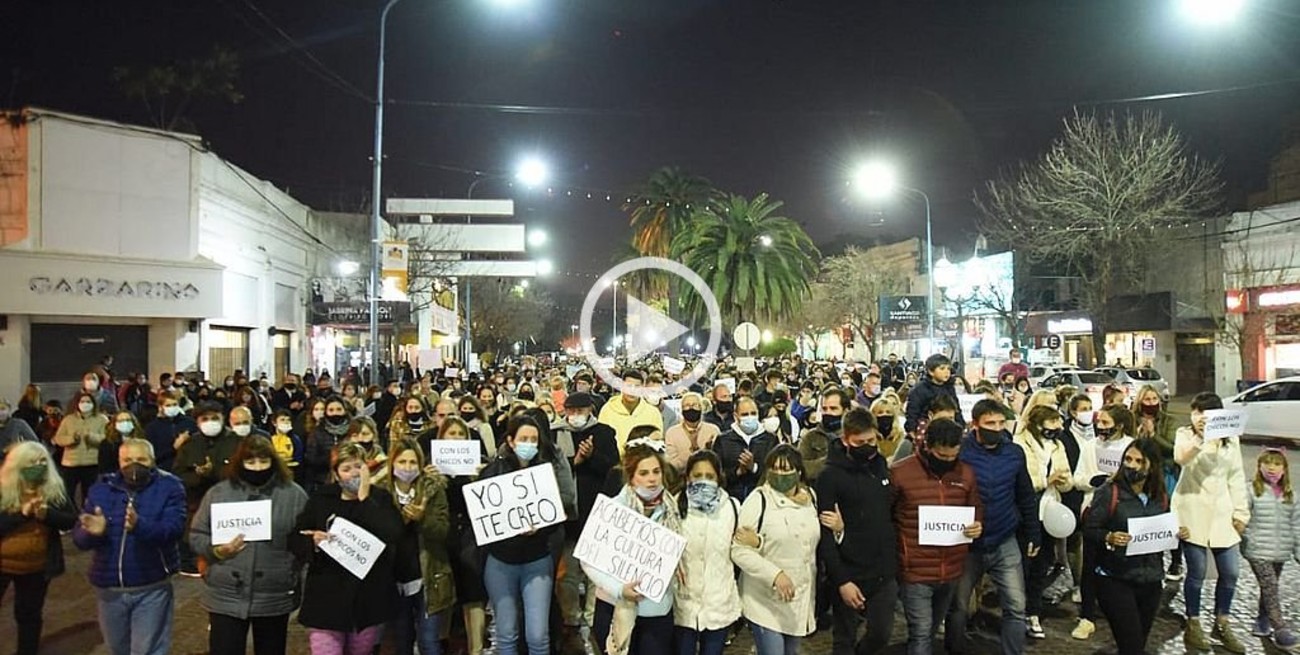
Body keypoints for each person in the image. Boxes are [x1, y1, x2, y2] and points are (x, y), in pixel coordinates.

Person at [189, 435, 309, 655]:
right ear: (239, 463)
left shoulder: (294, 495)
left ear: (274, 461)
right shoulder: (218, 493)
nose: (257, 467)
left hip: (274, 593)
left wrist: (291, 566)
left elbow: (303, 542)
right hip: (226, 592)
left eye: (263, 461)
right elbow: (197, 534)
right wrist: (216, 550)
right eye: (250, 462)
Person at [72, 438, 188, 655]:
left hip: (151, 584)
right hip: (109, 587)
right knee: (117, 647)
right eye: (127, 460)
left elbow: (173, 530)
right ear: (119, 461)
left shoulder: (169, 486)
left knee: (147, 649)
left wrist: (139, 526)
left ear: (152, 461)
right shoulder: (101, 489)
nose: (134, 465)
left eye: (141, 459)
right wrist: (91, 533)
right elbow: (79, 539)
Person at [944, 399, 1038, 655]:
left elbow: (1025, 494)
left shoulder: (1014, 453)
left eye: (1000, 423)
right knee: (959, 606)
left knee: (1016, 605)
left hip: (1004, 537)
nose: (996, 428)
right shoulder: (961, 452)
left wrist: (1033, 533)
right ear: (975, 425)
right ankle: (954, 649)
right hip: (966, 541)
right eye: (990, 423)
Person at [294, 442, 404, 654]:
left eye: (358, 466)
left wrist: (365, 498)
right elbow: (295, 538)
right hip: (327, 597)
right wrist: (313, 542)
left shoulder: (380, 498)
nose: (353, 473)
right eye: (346, 469)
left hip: (366, 599)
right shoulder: (320, 499)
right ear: (336, 474)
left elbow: (393, 533)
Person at [1083, 439, 1188, 655]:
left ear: (1152, 465)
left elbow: (1163, 530)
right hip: (1115, 579)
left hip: (1150, 581)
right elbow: (1090, 529)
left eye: (1139, 461)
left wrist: (1178, 534)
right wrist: (1109, 537)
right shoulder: (1109, 491)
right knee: (1131, 646)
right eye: (1128, 459)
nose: (1132, 465)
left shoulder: (1160, 496)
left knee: (1136, 644)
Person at [889, 418, 983, 655]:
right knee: (921, 632)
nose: (949, 462)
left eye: (954, 456)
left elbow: (976, 509)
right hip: (915, 570)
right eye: (942, 457)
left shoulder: (966, 474)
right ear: (927, 447)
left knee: (928, 632)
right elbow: (886, 517)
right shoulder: (900, 474)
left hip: (951, 569)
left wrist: (977, 526)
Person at [585, 440, 681, 654]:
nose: (652, 479)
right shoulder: (611, 509)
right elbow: (588, 561)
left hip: (657, 610)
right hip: (615, 606)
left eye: (656, 471)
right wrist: (619, 589)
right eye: (644, 473)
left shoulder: (672, 508)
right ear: (631, 476)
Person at [815, 409, 898, 655]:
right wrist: (842, 580)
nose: (867, 447)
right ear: (845, 440)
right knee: (844, 640)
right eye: (859, 443)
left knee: (881, 634)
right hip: (849, 571)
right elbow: (826, 537)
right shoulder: (829, 476)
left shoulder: (880, 464)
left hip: (882, 571)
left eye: (871, 441)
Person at [1173, 392, 1250, 653]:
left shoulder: (1231, 440)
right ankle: (1193, 623)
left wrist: (1241, 513)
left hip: (1222, 515)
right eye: (1196, 412)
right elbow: (1181, 459)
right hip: (1191, 510)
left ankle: (1222, 622)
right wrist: (1200, 439)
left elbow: (1237, 477)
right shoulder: (1185, 434)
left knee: (1230, 572)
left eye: (1205, 413)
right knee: (1196, 572)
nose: (1200, 417)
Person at [479, 416, 563, 655]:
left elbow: (555, 516)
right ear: (511, 441)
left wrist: (541, 526)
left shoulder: (545, 473)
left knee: (537, 635)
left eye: (534, 440)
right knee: (506, 634)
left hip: (536, 561)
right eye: (523, 439)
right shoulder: (492, 472)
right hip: (500, 563)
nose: (529, 443)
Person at [731, 444, 821, 655]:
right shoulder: (758, 499)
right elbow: (739, 549)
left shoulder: (811, 499)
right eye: (775, 469)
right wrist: (775, 575)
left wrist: (838, 529)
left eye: (786, 469)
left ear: (799, 472)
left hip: (799, 596)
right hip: (764, 598)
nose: (780, 474)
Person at [552, 392, 619, 650]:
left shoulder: (603, 432)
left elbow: (613, 468)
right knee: (566, 575)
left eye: (581, 410)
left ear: (590, 409)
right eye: (572, 410)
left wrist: (592, 457)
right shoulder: (556, 433)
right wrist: (575, 461)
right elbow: (551, 468)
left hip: (595, 513)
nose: (576, 415)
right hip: (567, 517)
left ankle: (593, 623)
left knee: (596, 577)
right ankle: (571, 621)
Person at [0, 441, 77, 655]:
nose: (39, 465)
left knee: (29, 615)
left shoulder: (54, 487)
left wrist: (48, 515)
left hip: (37, 565)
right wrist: (21, 515)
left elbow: (71, 520)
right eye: (32, 462)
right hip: (3, 562)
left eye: (43, 460)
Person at [381, 438, 455, 655]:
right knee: (402, 641)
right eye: (402, 462)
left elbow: (442, 531)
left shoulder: (433, 490)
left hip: (429, 576)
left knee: (429, 641)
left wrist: (423, 519)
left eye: (412, 462)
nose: (407, 467)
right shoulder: (382, 493)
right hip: (395, 580)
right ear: (393, 463)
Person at [1068, 403, 1135, 640]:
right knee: (1089, 566)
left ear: (1120, 425)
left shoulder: (1130, 446)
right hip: (1094, 510)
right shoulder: (1089, 446)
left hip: (1123, 511)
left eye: (1106, 423)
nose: (1100, 426)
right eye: (1099, 422)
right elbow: (1077, 478)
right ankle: (1087, 616)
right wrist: (1093, 480)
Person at [1010, 404, 1072, 639]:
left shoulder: (1058, 446)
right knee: (1023, 565)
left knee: (1041, 565)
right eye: (1052, 423)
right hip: (1027, 514)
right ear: (1038, 425)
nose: (1057, 428)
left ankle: (1033, 611)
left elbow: (1068, 480)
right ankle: (1018, 611)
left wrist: (1062, 481)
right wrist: (1047, 480)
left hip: (1051, 512)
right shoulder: (1020, 444)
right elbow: (1023, 481)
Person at [674, 450, 741, 655]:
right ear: (687, 478)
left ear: (719, 478)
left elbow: (741, 549)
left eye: (710, 477)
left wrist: (755, 542)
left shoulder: (732, 507)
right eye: (697, 476)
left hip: (718, 602)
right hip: (683, 602)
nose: (703, 481)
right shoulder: (673, 505)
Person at [436, 417, 491, 655]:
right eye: (451, 434)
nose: (456, 438)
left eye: (461, 434)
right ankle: (441, 640)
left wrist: (479, 479)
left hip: (471, 532)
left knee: (473, 590)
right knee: (444, 589)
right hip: (444, 532)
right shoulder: (432, 466)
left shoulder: (480, 466)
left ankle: (476, 647)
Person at [1241, 447, 1300, 649]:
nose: (1272, 468)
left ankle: (1262, 621)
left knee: (1269, 587)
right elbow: (1242, 517)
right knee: (1271, 586)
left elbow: (1296, 525)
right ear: (1259, 466)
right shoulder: (1250, 490)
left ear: (1284, 469)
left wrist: (1298, 552)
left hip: (1280, 551)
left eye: (1277, 464)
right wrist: (1247, 539)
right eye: (1267, 463)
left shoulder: (1291, 495)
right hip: (1258, 550)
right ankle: (1280, 628)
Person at [1129, 383, 1182, 581]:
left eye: (1154, 399)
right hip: (1140, 475)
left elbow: (1172, 449)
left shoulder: (1169, 421)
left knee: (1167, 516)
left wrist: (1153, 435)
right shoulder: (1132, 419)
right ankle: (1148, 557)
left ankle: (1176, 560)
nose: (1151, 403)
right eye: (1147, 399)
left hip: (1164, 474)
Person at [712, 396, 778, 501]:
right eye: (745, 414)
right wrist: (737, 472)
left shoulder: (770, 440)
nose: (750, 417)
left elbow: (775, 473)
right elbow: (715, 474)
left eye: (753, 413)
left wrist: (754, 468)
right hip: (729, 499)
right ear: (735, 416)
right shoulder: (723, 440)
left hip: (763, 499)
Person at [53, 391, 109, 509]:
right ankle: (71, 517)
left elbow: (107, 438)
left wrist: (92, 437)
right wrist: (72, 439)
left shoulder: (102, 419)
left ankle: (88, 514)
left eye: (88, 402)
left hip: (92, 463)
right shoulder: (68, 419)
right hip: (70, 463)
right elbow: (58, 438)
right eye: (82, 401)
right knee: (67, 494)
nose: (85, 404)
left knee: (90, 494)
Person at [596, 370, 665, 452]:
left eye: (637, 387)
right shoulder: (607, 410)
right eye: (628, 386)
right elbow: (601, 441)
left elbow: (657, 441)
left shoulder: (653, 413)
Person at [796, 387, 849, 482]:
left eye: (833, 408)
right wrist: (831, 459)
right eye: (824, 409)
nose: (828, 413)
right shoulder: (810, 437)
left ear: (845, 411)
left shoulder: (855, 437)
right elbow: (801, 469)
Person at [904, 354, 964, 435]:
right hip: (926, 429)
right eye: (942, 368)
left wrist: (961, 426)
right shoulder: (919, 389)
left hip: (950, 428)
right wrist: (911, 429)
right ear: (931, 371)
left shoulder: (950, 388)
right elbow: (912, 412)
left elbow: (956, 409)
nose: (947, 372)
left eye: (948, 369)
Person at [303, 397, 353, 490]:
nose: (335, 413)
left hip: (350, 479)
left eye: (339, 409)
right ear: (326, 412)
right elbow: (311, 459)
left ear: (345, 411)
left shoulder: (353, 430)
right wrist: (332, 458)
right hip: (323, 481)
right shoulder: (317, 432)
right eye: (331, 410)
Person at [145, 392, 197, 473]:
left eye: (175, 404)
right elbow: (153, 455)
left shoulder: (190, 423)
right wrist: (173, 448)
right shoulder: (152, 428)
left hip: (188, 469)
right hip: (164, 470)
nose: (172, 408)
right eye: (168, 405)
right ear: (160, 407)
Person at [869, 393, 910, 463]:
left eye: (888, 412)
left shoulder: (900, 436)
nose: (885, 415)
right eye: (880, 412)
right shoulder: (868, 437)